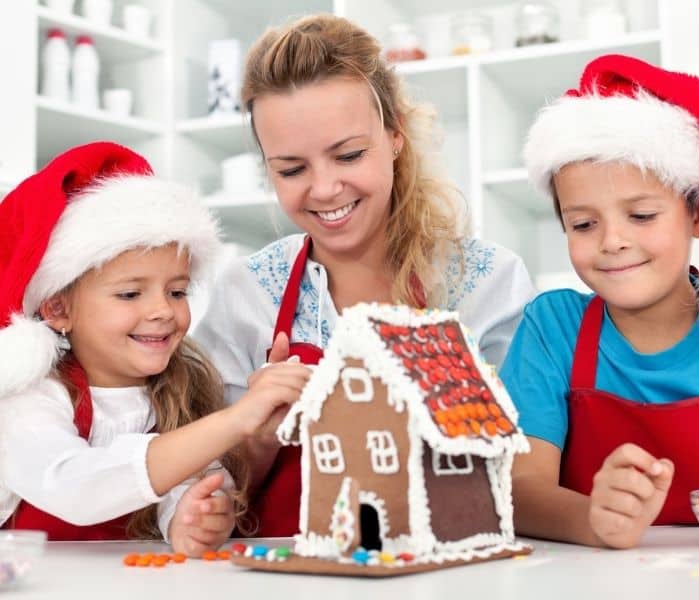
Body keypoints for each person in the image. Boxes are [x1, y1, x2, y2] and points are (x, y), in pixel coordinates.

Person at [193, 14, 535, 537]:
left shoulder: (487, 283)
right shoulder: (247, 294)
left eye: (348, 155)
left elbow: (521, 472)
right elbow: (205, 494)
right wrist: (257, 437)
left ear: (395, 134)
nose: (325, 188)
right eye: (291, 169)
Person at [0, 142, 311, 555]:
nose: (163, 310)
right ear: (58, 308)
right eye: (130, 294)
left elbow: (187, 479)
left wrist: (192, 514)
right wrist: (235, 421)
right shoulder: (29, 399)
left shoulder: (179, 387)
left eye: (177, 291)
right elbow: (75, 485)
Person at [500, 54, 699, 550]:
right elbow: (517, 490)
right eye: (584, 224)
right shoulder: (554, 329)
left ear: (697, 215)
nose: (612, 241)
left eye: (640, 215)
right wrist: (592, 519)